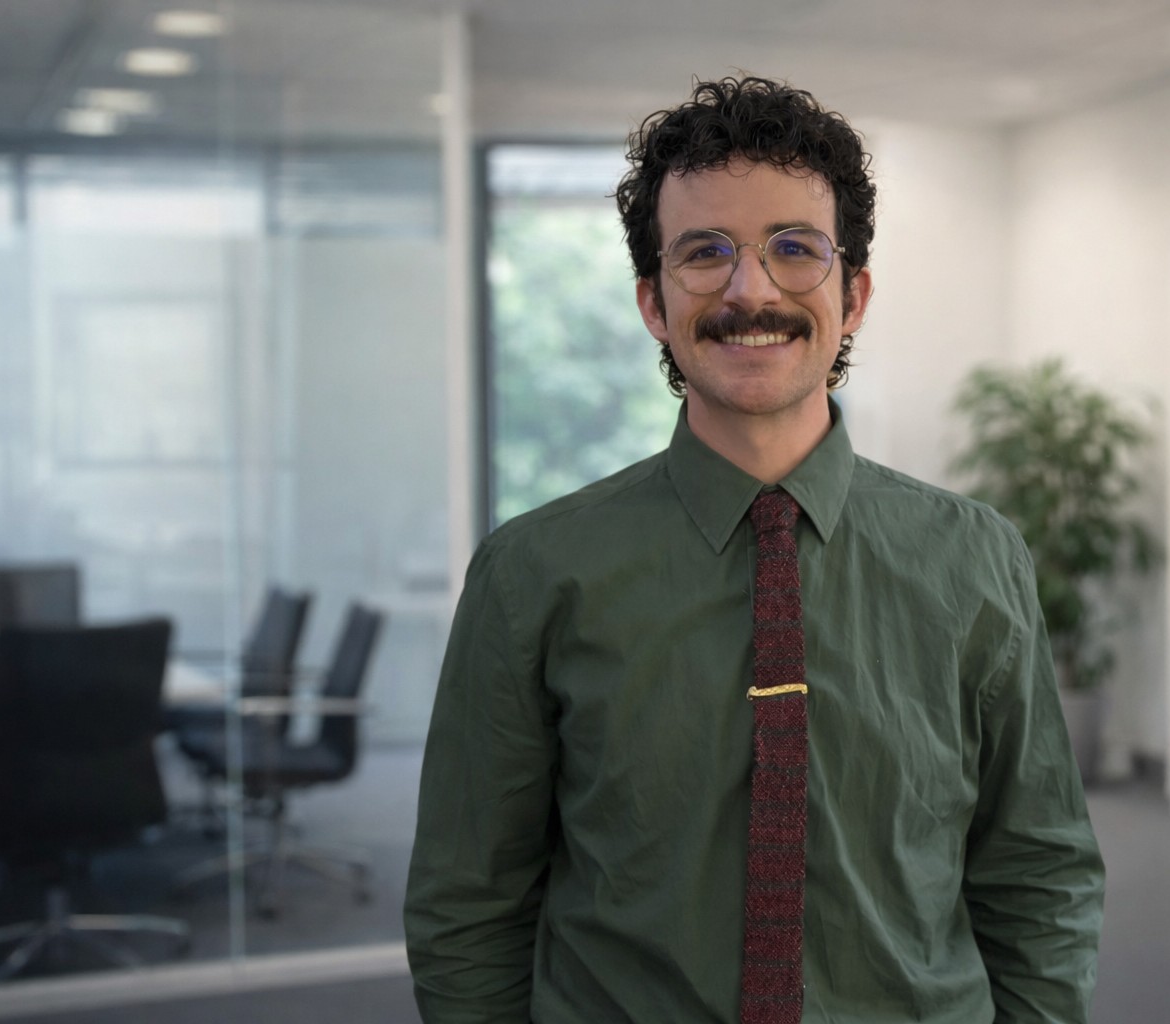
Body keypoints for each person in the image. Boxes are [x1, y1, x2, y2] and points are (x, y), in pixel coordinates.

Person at [405, 76, 1104, 1024]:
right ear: (655, 303)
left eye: (793, 249)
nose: (750, 288)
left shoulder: (977, 560)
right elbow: (469, 902)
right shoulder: (532, 574)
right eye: (705, 253)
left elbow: (1038, 872)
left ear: (851, 294)